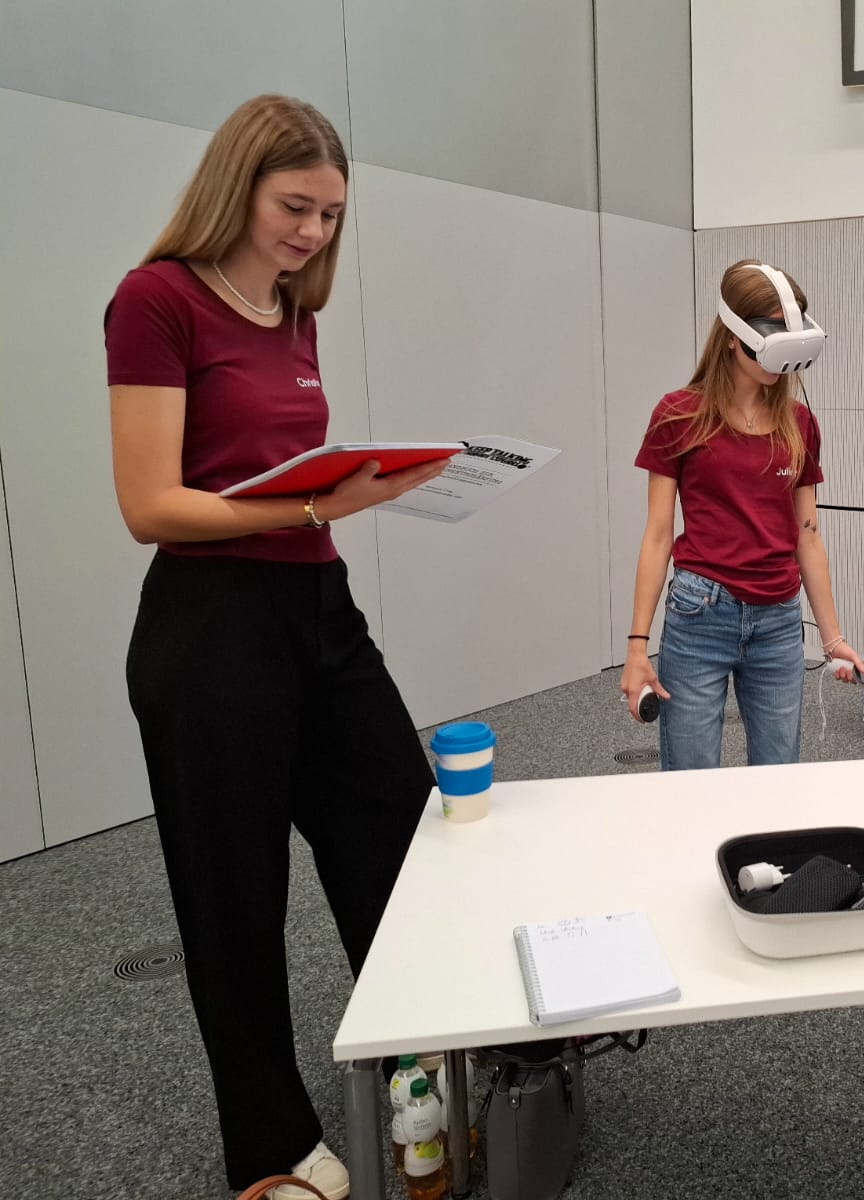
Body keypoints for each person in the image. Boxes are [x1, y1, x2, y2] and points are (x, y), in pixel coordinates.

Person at [106, 95, 448, 1199]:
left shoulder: (293, 314)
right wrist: (314, 507)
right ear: (236, 187)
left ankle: (422, 1067)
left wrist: (363, 491)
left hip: (319, 611)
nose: (313, 232)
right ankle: (268, 1151)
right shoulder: (156, 301)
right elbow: (150, 505)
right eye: (295, 206)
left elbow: (292, 477)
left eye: (332, 215)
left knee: (403, 839)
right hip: (212, 627)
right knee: (234, 898)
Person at [621, 260, 864, 768]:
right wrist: (637, 647)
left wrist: (833, 638)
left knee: (776, 776)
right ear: (733, 337)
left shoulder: (799, 423)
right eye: (773, 330)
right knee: (690, 778)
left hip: (778, 620)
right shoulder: (679, 414)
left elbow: (807, 533)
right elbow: (659, 535)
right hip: (700, 611)